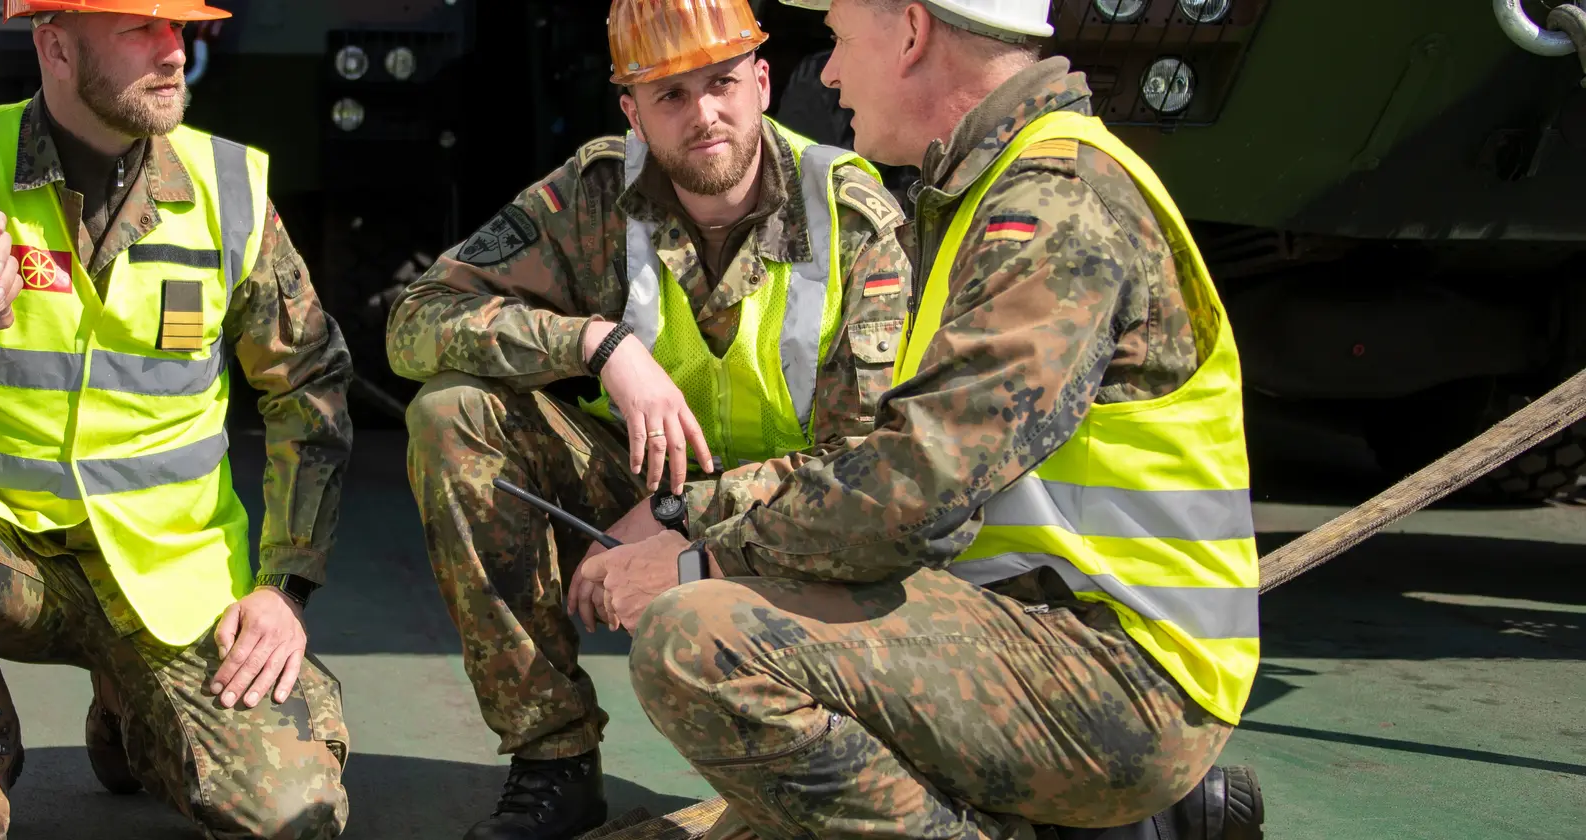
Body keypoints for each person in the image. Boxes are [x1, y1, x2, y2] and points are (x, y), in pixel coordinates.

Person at [579, 0, 1269, 838]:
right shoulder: (992, 188)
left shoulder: (1055, 206)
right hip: (1038, 634)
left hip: (1117, 679)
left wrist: (696, 561)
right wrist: (691, 512)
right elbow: (890, 458)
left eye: (837, 37)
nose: (828, 73)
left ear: (910, 31)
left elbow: (914, 489)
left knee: (701, 641)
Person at [385, 0, 913, 835]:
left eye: (723, 83)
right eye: (671, 95)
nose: (704, 114)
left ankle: (810, 763)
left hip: (797, 526)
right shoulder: (594, 195)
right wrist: (596, 344)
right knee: (453, 414)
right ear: (631, 112)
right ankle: (553, 759)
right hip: (643, 486)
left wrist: (680, 521)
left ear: (764, 82)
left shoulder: (848, 218)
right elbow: (414, 324)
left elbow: (868, 467)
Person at [0, 2, 355, 838]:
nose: (173, 51)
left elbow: (309, 384)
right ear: (54, 46)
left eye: (178, 29)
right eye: (139, 31)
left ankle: (128, 706)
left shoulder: (230, 189)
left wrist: (282, 588)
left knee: (292, 812)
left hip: (165, 573)